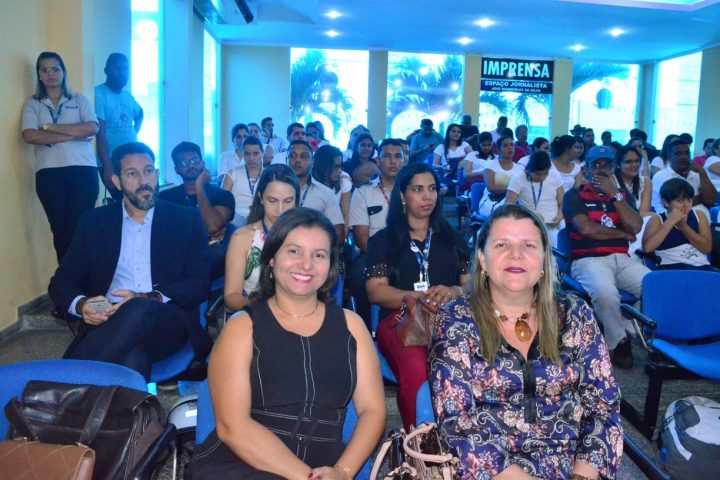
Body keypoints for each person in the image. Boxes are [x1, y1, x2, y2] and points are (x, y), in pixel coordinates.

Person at [185, 208, 386, 480]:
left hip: (327, 466)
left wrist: (343, 471)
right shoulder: (242, 327)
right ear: (271, 258)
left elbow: (373, 410)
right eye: (293, 251)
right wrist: (308, 478)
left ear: (330, 266)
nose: (306, 264)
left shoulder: (352, 326)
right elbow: (233, 426)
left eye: (319, 255)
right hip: (245, 462)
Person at [428, 204, 622, 480]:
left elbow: (603, 406)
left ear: (544, 259)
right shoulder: (455, 320)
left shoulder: (576, 313)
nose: (516, 254)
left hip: (574, 467)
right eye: (502, 245)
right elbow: (457, 425)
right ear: (482, 259)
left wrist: (582, 475)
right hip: (492, 471)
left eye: (528, 245)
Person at [48, 142, 212, 381]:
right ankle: (100, 403)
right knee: (132, 358)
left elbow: (199, 284)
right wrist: (82, 305)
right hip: (110, 319)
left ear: (157, 174)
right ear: (117, 181)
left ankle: (57, 386)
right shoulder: (94, 222)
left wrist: (148, 297)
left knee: (137, 308)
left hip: (167, 320)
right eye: (132, 174)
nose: (144, 181)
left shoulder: (185, 219)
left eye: (148, 171)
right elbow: (61, 282)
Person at [366, 162, 471, 430]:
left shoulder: (452, 238)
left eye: (432, 189)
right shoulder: (384, 240)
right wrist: (416, 297)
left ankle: (462, 436)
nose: (427, 196)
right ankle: (420, 441)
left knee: (465, 366)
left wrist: (455, 291)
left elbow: (472, 285)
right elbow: (376, 291)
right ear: (402, 196)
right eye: (418, 189)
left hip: (449, 321)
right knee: (418, 370)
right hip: (400, 321)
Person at [563, 145, 649, 370]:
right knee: (605, 293)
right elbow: (587, 229)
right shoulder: (574, 195)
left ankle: (627, 325)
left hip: (622, 259)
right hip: (588, 260)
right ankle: (619, 343)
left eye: (607, 165)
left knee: (655, 286)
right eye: (596, 165)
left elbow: (635, 226)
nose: (601, 170)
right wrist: (623, 234)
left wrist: (615, 196)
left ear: (613, 169)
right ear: (586, 169)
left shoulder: (621, 196)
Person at [21, 51, 100, 263]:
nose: (50, 74)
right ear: (39, 75)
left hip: (83, 171)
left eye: (55, 69)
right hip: (49, 174)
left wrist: (49, 128)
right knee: (60, 230)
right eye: (44, 70)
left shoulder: (79, 99)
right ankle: (67, 279)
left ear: (63, 72)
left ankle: (86, 278)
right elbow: (29, 135)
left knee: (81, 227)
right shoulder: (33, 103)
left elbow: (92, 128)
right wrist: (74, 134)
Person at [224, 164, 299, 312]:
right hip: (257, 313)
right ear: (261, 198)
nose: (280, 209)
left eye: (288, 201)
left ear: (296, 200)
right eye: (272, 200)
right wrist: (268, 309)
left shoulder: (306, 237)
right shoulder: (243, 237)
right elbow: (231, 297)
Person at [348, 139, 404, 325]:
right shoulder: (363, 192)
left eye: (398, 156)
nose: (393, 161)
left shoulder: (413, 190)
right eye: (387, 156)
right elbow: (361, 239)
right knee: (358, 274)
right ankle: (364, 327)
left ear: (404, 160)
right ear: (378, 161)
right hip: (374, 254)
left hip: (409, 251)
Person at [160, 142, 235, 280]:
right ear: (176, 170)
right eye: (183, 163)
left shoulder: (222, 195)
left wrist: (199, 186)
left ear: (203, 163)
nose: (190, 165)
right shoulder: (166, 197)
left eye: (194, 160)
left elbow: (212, 226)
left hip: (209, 258)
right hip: (174, 257)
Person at [95, 53, 143, 199]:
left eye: (125, 69)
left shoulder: (128, 96)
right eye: (117, 68)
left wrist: (134, 132)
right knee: (123, 202)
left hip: (133, 158)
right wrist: (107, 167)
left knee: (137, 200)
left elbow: (140, 113)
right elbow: (100, 134)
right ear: (106, 70)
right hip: (112, 162)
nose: (122, 72)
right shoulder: (99, 94)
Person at [643, 178, 713, 270]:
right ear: (666, 202)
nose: (686, 205)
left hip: (702, 268)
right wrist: (670, 222)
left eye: (689, 200)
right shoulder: (657, 219)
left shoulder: (699, 215)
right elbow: (647, 248)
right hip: (672, 269)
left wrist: (683, 226)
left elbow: (706, 248)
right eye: (680, 201)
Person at [288, 140, 345, 244]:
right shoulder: (275, 190)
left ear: (313, 162)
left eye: (303, 156)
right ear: (286, 160)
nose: (297, 160)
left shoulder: (326, 194)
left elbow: (338, 235)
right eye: (292, 156)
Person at [506, 151, 564, 247]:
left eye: (546, 173)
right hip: (528, 223)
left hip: (552, 224)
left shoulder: (555, 175)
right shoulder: (518, 178)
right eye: (538, 174)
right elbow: (508, 206)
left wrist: (559, 216)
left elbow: (562, 203)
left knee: (557, 244)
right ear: (529, 170)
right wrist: (529, 216)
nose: (542, 177)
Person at [651, 138, 717, 215]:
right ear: (669, 157)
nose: (684, 157)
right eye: (678, 153)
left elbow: (710, 200)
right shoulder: (661, 176)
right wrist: (701, 198)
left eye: (687, 153)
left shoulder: (697, 172)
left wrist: (702, 172)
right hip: (673, 219)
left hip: (703, 218)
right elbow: (675, 206)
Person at [220, 135, 265, 226]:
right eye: (247, 154)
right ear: (243, 154)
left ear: (262, 153)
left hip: (261, 217)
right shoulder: (232, 173)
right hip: (236, 217)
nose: (251, 158)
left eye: (255, 154)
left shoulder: (269, 174)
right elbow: (222, 200)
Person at [476, 136, 524, 218]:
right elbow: (491, 187)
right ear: (498, 150)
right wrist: (514, 189)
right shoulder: (490, 165)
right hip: (492, 201)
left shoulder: (520, 168)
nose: (510, 148)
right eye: (505, 146)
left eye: (511, 145)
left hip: (514, 202)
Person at [313, 145, 352, 226]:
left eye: (340, 166)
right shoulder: (309, 180)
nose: (339, 170)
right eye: (335, 166)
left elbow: (345, 215)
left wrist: (343, 234)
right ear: (323, 166)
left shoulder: (344, 180)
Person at [434, 123, 472, 193]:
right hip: (449, 174)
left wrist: (464, 160)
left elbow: (472, 155)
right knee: (454, 183)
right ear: (448, 133)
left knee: (463, 177)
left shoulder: (464, 144)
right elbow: (435, 164)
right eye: (453, 131)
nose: (456, 133)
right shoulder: (441, 147)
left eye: (458, 132)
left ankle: (448, 189)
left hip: (464, 172)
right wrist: (442, 168)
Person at [614, 146, 652, 215]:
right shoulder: (612, 181)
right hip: (616, 219)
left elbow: (644, 212)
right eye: (628, 162)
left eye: (637, 161)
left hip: (639, 219)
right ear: (618, 164)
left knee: (653, 216)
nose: (634, 165)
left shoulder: (645, 182)